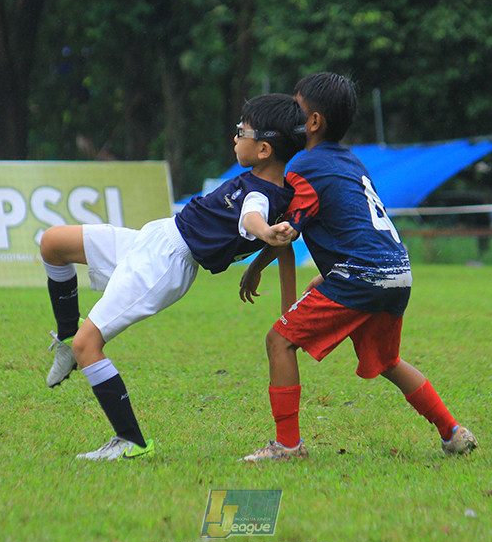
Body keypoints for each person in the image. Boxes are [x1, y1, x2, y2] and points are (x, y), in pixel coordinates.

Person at [38, 93, 305, 461]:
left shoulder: (260, 195)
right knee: (52, 243)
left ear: (263, 149)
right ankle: (67, 337)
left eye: (240, 131)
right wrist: (258, 267)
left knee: (89, 346)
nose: (234, 137)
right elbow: (276, 238)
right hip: (155, 237)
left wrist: (265, 234)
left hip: (164, 264)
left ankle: (130, 441)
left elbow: (252, 218)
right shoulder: (274, 188)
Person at [239, 72, 477, 462]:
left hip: (362, 275)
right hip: (396, 271)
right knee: (388, 361)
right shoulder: (352, 162)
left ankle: (287, 445)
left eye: (295, 108)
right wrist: (328, 274)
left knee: (278, 341)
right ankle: (453, 432)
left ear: (313, 121)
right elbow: (356, 225)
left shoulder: (303, 168)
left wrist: (257, 264)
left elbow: (287, 232)